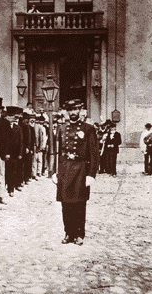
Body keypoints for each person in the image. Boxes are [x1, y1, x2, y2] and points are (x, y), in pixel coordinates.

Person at [53, 99, 99, 246]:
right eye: (70, 110)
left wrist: (91, 174)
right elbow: (55, 151)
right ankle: (68, 232)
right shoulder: (61, 128)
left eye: (76, 110)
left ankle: (79, 234)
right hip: (65, 169)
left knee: (79, 204)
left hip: (80, 169)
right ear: (67, 112)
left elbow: (94, 153)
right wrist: (53, 171)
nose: (73, 113)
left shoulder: (88, 129)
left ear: (80, 111)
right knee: (65, 204)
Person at [5, 106, 23, 197]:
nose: (10, 118)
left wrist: (20, 153)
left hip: (14, 154)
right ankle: (4, 188)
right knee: (4, 171)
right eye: (8, 116)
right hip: (4, 153)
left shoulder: (18, 128)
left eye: (12, 116)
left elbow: (21, 142)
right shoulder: (3, 127)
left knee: (12, 171)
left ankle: (11, 189)